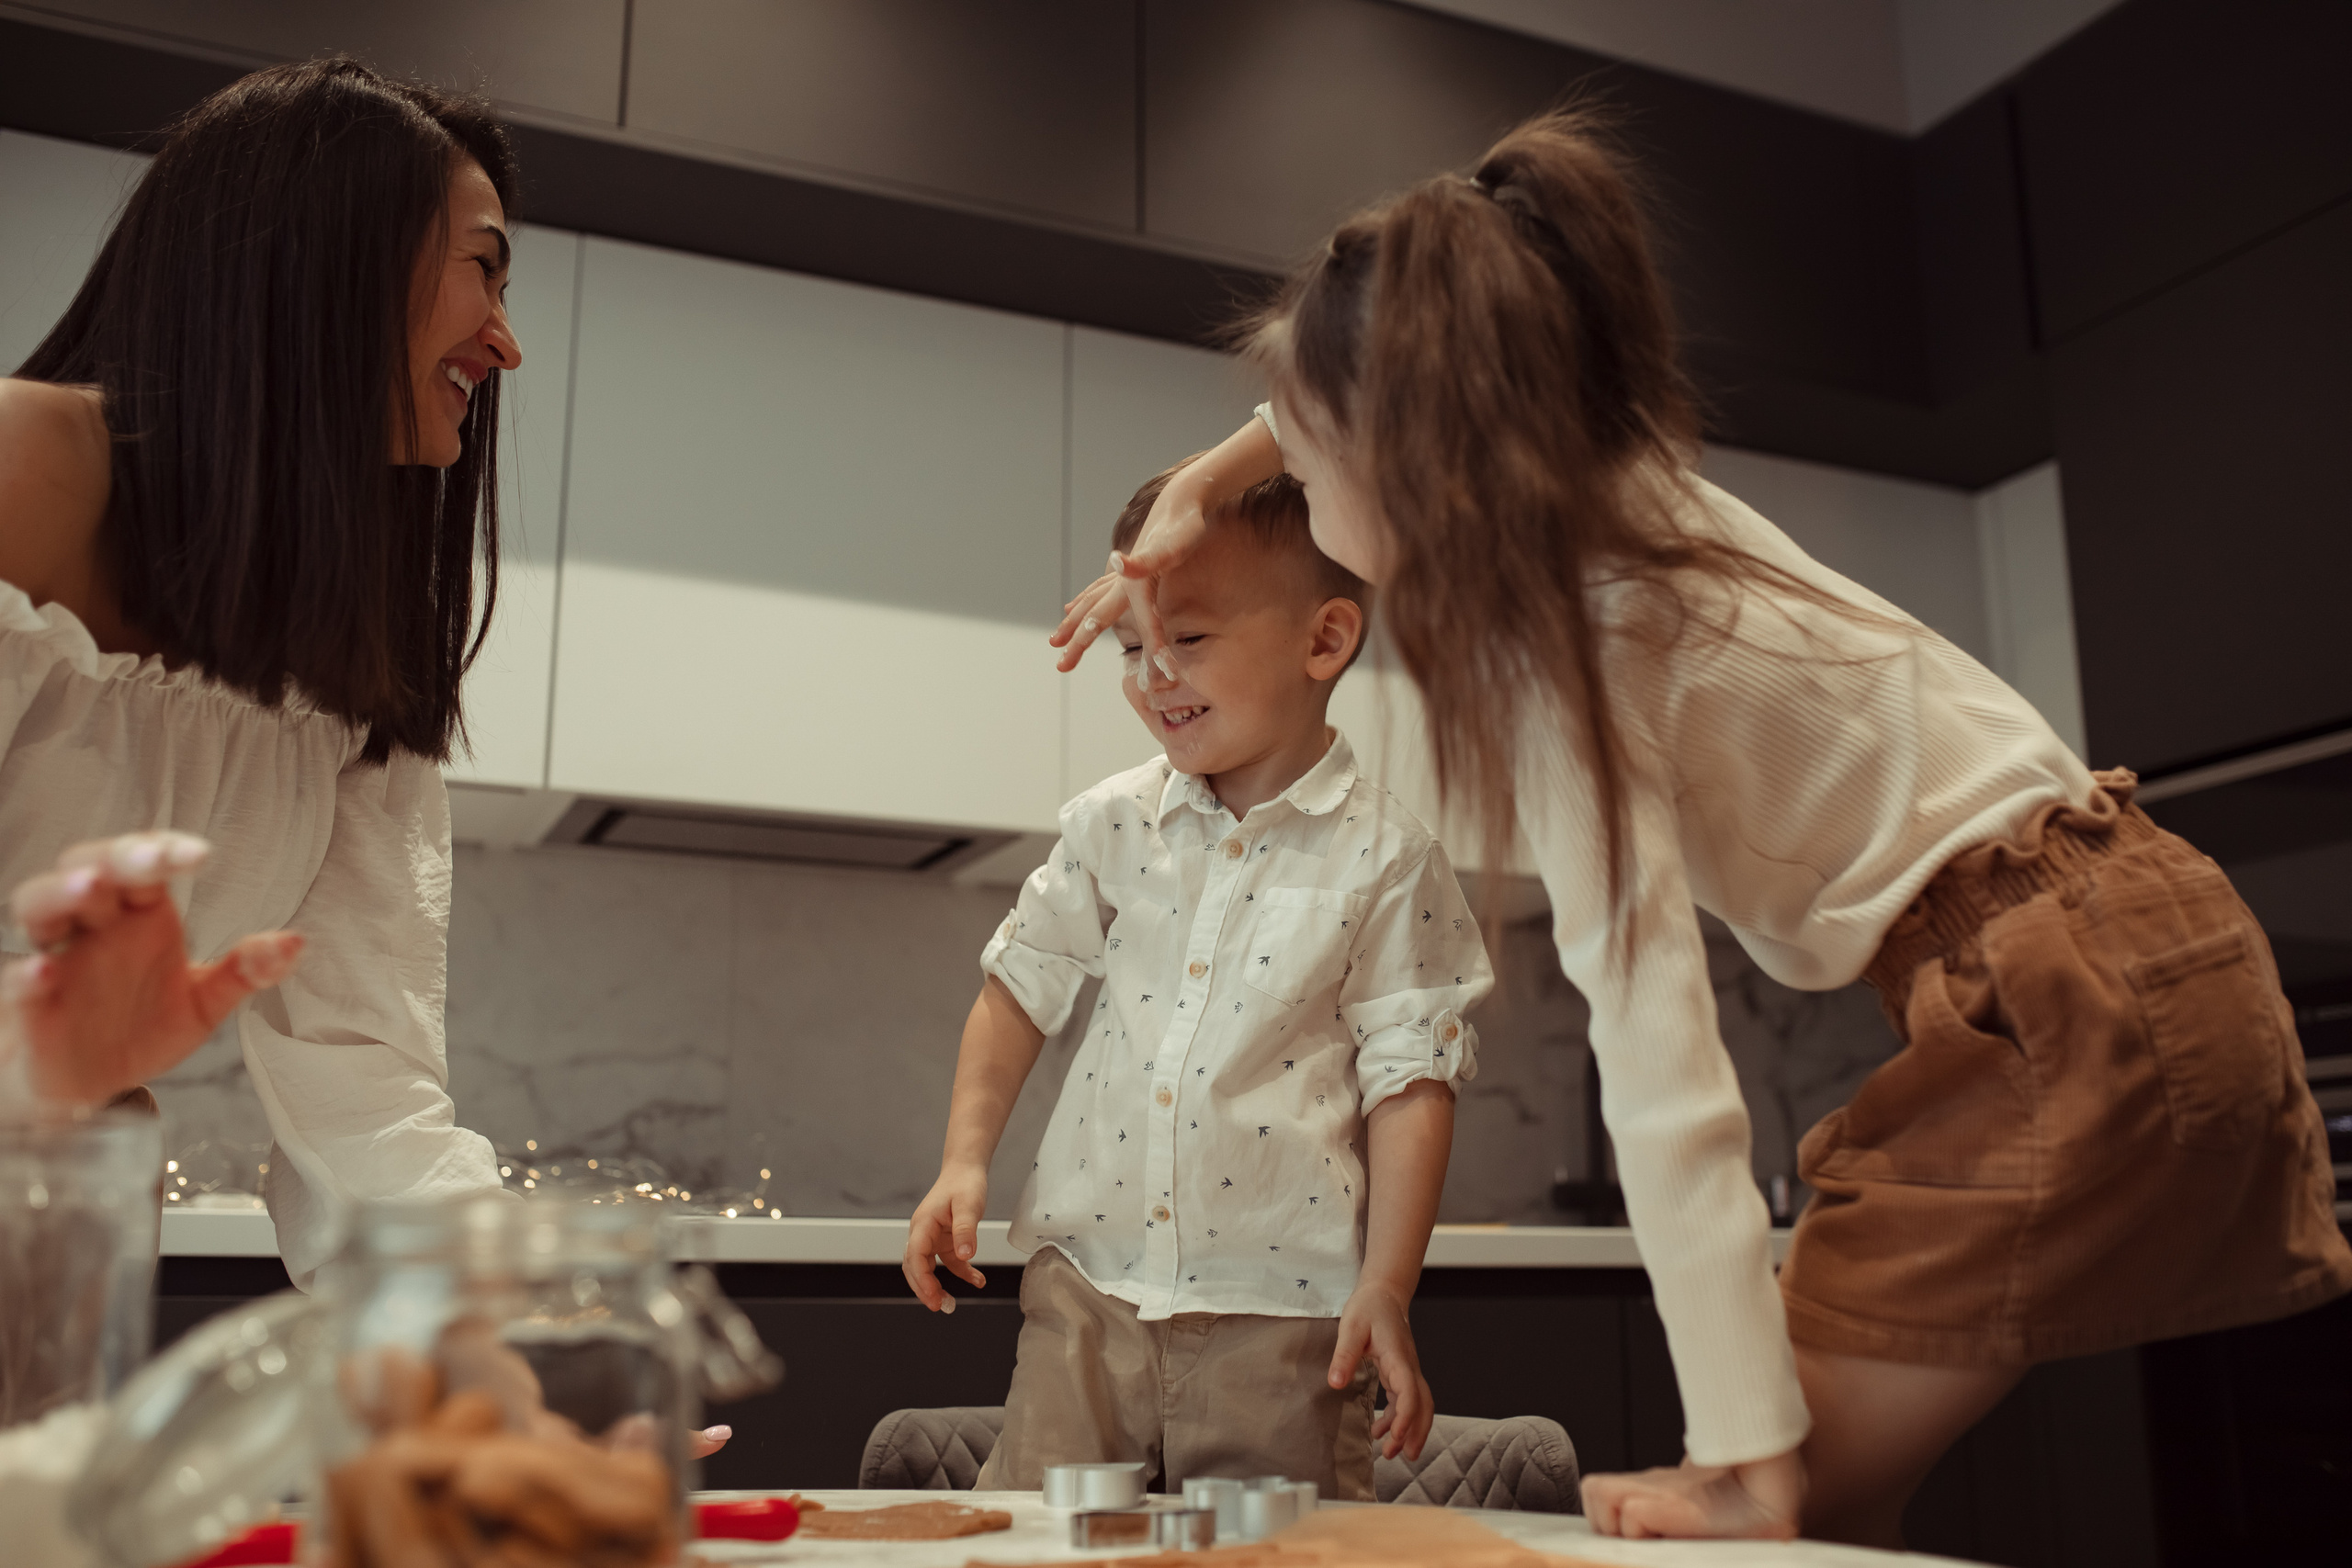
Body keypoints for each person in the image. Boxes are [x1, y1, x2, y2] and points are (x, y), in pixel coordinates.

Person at [1052, 109, 2352, 1545]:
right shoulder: (1636, 499)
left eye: (1301, 443)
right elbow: (1374, 386)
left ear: (1410, 451)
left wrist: (1736, 1454)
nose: (1280, 469)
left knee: (1766, 1513)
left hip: (2063, 992)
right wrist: (1190, 491)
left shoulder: (1562, 652)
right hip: (2135, 938)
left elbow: (1667, 1081)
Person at [0, 57, 520, 1287]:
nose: (505, 340)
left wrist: (499, 1346)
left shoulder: (349, 647)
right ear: (328, 252)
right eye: (484, 268)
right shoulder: (17, 471)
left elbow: (367, 1085)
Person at [903, 462, 1495, 1497]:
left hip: (1288, 1312)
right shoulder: (1110, 824)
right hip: (1084, 1293)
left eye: (1187, 640)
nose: (1150, 675)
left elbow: (1412, 1080)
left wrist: (1388, 1286)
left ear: (1324, 640)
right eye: (1133, 647)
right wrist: (963, 1161)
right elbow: (1019, 988)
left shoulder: (1387, 859)